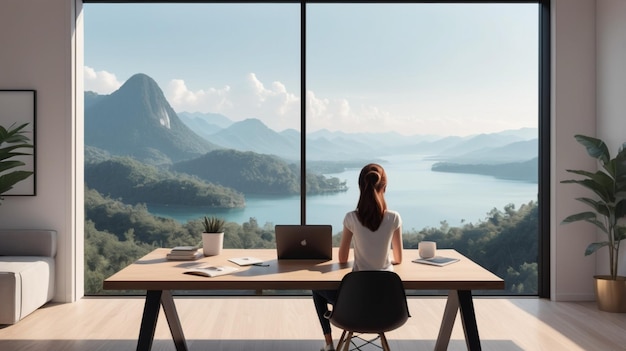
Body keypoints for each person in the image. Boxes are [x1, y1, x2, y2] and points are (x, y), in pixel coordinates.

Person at [312, 163, 403, 351]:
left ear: (361, 187)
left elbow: (343, 258)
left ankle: (329, 344)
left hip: (352, 308)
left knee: (316, 287)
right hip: (389, 307)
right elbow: (399, 258)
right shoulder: (394, 218)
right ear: (384, 187)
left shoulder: (351, 218)